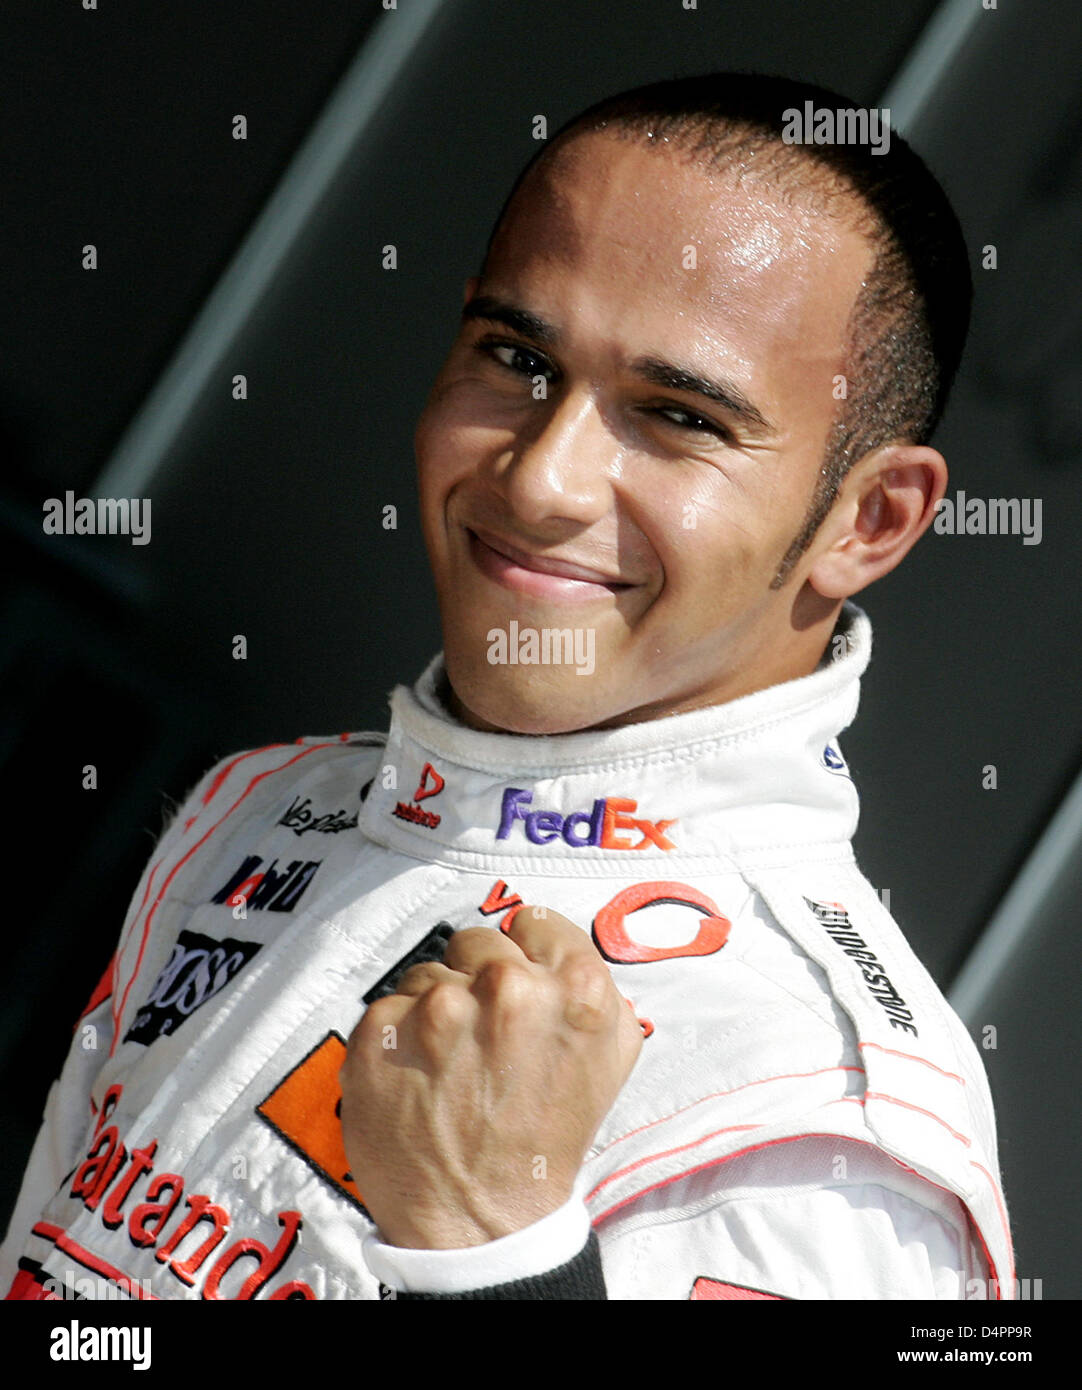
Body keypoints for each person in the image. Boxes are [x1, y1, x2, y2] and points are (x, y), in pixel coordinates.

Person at [1, 72, 1012, 1301]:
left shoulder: (823, 1124)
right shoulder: (257, 808)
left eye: (677, 415)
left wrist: (500, 1256)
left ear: (868, 519)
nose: (543, 480)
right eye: (517, 356)